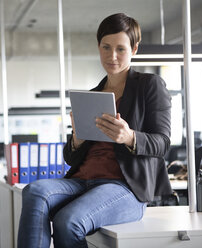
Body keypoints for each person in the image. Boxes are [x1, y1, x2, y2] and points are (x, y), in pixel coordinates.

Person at [17, 13, 172, 248]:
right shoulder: (92, 95)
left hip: (125, 187)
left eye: (121, 49)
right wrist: (77, 139)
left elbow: (163, 142)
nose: (112, 56)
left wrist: (129, 137)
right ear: (98, 47)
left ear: (135, 49)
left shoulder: (149, 85)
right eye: (106, 47)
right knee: (34, 191)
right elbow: (70, 157)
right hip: (81, 181)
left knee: (67, 221)